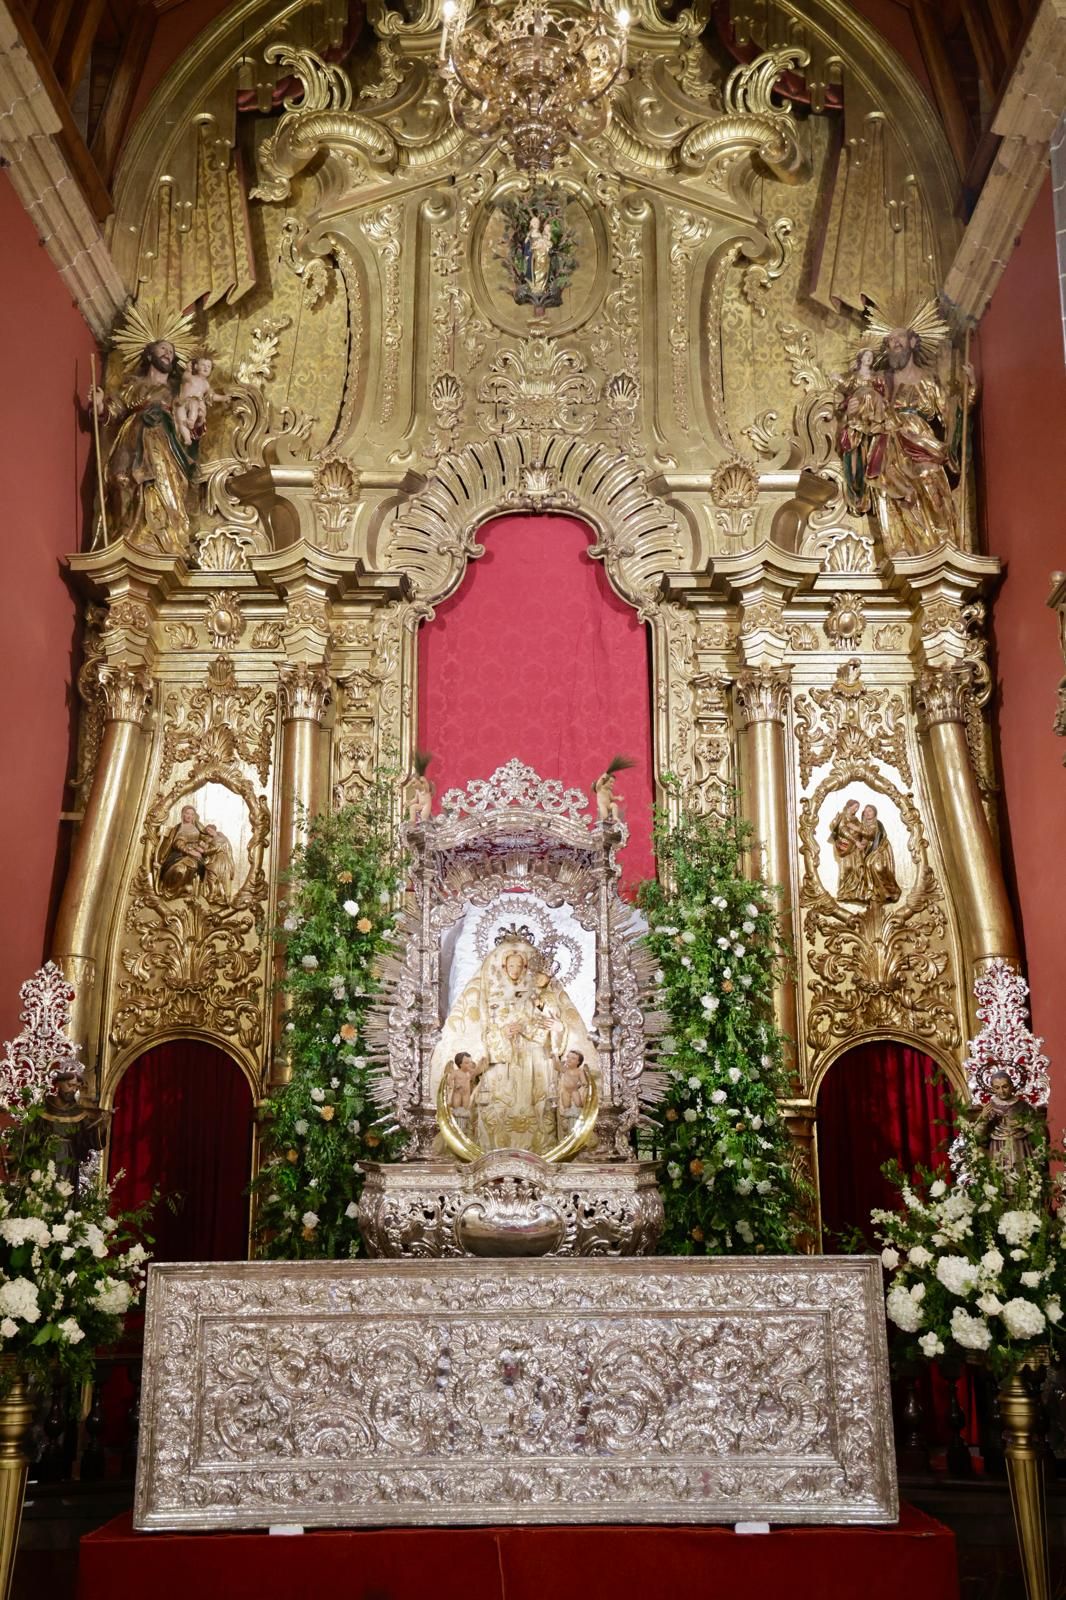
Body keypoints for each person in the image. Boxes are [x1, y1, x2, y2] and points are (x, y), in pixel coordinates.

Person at [430, 931, 597, 1156]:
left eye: (520, 966)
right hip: (501, 1063)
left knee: (538, 1112)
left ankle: (542, 1160)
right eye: (511, 966)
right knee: (496, 1110)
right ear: (503, 967)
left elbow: (552, 1029)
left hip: (535, 1062)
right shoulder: (492, 997)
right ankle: (491, 1160)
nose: (515, 970)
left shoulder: (540, 997)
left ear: (527, 967)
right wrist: (503, 1034)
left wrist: (531, 1028)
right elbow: (482, 1033)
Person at [89, 338, 198, 554]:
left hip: (164, 441)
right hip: (133, 436)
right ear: (150, 355)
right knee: (121, 478)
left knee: (163, 483)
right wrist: (101, 405)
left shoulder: (176, 392)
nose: (167, 353)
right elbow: (116, 409)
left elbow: (188, 420)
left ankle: (160, 541)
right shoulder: (133, 386)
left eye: (171, 351)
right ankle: (124, 536)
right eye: (163, 349)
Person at [838, 347, 889, 516]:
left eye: (871, 356)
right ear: (860, 358)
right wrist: (837, 378)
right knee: (854, 458)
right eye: (866, 355)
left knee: (870, 454)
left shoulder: (876, 377)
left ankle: (868, 493)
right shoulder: (854, 377)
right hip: (856, 419)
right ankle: (856, 491)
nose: (869, 358)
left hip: (873, 420)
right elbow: (845, 389)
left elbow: (884, 396)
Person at [174, 355, 223, 446]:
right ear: (196, 366)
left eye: (208, 366)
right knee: (181, 419)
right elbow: (185, 376)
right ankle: (187, 436)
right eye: (203, 365)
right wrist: (188, 368)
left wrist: (223, 398)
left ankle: (191, 425)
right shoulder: (190, 377)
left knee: (194, 405)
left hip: (195, 403)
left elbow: (211, 396)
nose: (206, 368)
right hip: (182, 402)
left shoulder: (206, 384)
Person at [857, 803, 900, 904]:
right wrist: (861, 843)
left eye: (870, 811)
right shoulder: (863, 825)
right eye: (865, 811)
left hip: (881, 848)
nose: (867, 813)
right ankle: (875, 891)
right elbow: (864, 839)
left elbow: (878, 836)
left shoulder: (878, 823)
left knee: (878, 868)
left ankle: (891, 890)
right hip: (869, 850)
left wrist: (858, 830)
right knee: (868, 865)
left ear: (874, 812)